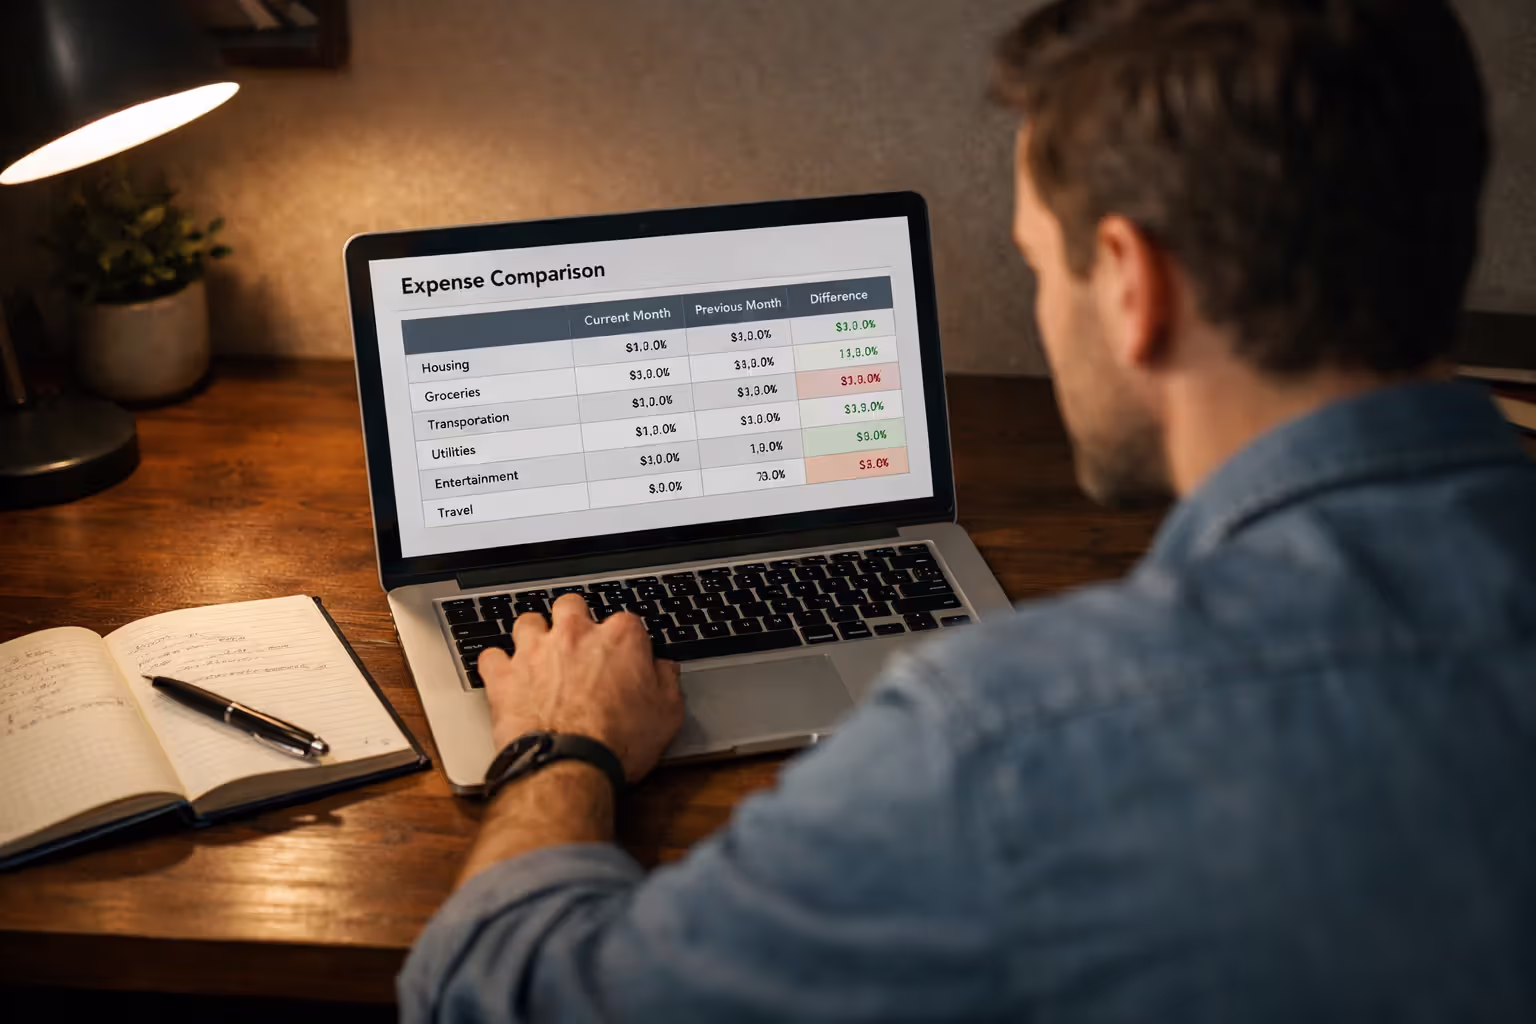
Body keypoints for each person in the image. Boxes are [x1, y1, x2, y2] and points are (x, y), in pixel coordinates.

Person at [400, 0, 1536, 1019]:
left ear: (1134, 287)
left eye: (1040, 264)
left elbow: (506, 995)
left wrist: (564, 741)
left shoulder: (1012, 737)